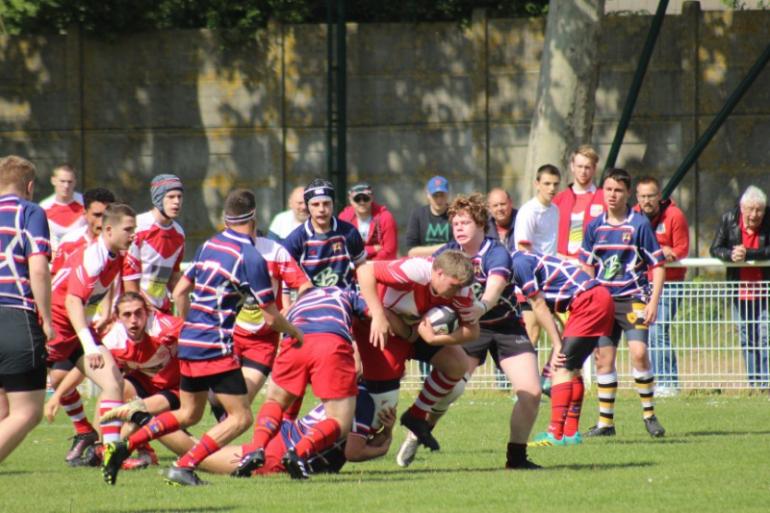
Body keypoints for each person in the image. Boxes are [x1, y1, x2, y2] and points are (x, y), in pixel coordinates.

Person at [101, 189, 303, 487]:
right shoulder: (251, 257)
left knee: (188, 413)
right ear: (254, 217)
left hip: (190, 341)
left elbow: (181, 290)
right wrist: (296, 333)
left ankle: (122, 445)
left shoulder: (210, 244)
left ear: (226, 219)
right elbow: (271, 317)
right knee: (241, 418)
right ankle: (185, 465)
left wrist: (190, 324)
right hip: (216, 347)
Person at [396, 193, 542, 470]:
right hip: (465, 328)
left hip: (505, 326)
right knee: (452, 388)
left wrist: (482, 306)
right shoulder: (447, 254)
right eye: (455, 223)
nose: (459, 227)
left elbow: (496, 283)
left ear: (480, 225)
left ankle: (517, 459)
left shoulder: (495, 251)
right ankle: (419, 429)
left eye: (465, 222)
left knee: (531, 392)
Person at [234, 286, 368, 479]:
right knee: (339, 420)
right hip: (329, 341)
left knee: (274, 402)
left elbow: (281, 319)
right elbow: (371, 312)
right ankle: (298, 453)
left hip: (295, 340)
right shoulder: (346, 293)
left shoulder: (297, 303)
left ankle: (256, 448)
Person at [355, 251, 479, 453]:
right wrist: (378, 315)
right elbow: (365, 270)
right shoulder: (415, 271)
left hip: (417, 332)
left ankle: (416, 416)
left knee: (458, 365)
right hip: (387, 328)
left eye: (460, 287)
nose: (457, 291)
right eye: (454, 285)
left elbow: (473, 331)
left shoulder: (463, 291)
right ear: (437, 273)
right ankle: (344, 439)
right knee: (382, 408)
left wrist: (436, 339)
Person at [579, 168, 666, 438]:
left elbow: (658, 265)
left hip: (633, 299)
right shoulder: (594, 226)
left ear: (628, 194)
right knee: (604, 360)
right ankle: (606, 423)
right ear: (602, 192)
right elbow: (586, 265)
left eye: (618, 190)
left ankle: (649, 415)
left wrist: (653, 302)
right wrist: (588, 298)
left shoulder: (639, 225)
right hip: (603, 302)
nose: (612, 195)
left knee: (639, 353)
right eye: (608, 189)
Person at [48, 203, 137, 462]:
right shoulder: (92, 256)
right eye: (128, 229)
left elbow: (106, 286)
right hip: (50, 330)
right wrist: (90, 346)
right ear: (108, 230)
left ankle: (110, 455)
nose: (133, 234)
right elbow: (72, 301)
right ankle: (84, 430)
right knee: (18, 398)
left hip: (76, 329)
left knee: (113, 383)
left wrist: (106, 312)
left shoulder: (117, 255)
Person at [512, 250, 614, 447]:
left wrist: (558, 344)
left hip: (588, 301)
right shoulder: (523, 260)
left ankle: (555, 435)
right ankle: (570, 433)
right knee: (573, 369)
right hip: (596, 298)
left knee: (561, 369)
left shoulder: (519, 264)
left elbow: (539, 305)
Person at [0, 155, 54, 464]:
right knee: (27, 412)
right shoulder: (30, 212)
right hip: (14, 317)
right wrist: (46, 317)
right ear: (29, 186)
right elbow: (39, 268)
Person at [711, 185, 770, 388]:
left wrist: (749, 254)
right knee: (747, 336)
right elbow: (715, 248)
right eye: (750, 209)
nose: (755, 215)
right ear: (742, 208)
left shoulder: (768, 221)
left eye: (759, 210)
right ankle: (754, 383)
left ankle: (766, 383)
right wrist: (730, 255)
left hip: (765, 289)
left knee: (764, 337)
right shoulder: (729, 219)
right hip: (740, 289)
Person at [635, 176, 690, 394]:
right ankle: (651, 382)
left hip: (670, 282)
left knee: (659, 329)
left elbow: (682, 248)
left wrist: (671, 253)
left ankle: (668, 383)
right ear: (637, 197)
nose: (647, 200)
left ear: (659, 196)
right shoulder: (633, 216)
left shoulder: (674, 216)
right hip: (641, 283)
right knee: (644, 333)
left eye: (651, 195)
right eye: (643, 196)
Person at [282, 179, 366, 289]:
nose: (321, 209)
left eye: (326, 203)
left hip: (345, 298)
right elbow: (284, 277)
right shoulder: (295, 239)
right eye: (315, 204)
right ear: (307, 206)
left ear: (333, 204)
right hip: (311, 300)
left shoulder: (349, 232)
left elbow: (362, 268)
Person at [513, 164, 561, 347]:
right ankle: (521, 374)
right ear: (537, 184)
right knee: (531, 335)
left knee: (563, 334)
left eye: (555, 184)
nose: (552, 188)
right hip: (531, 281)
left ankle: (549, 375)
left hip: (549, 279)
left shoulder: (555, 210)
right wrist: (531, 283)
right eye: (547, 183)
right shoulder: (529, 211)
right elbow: (523, 249)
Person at [123, 174, 185, 313]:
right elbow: (129, 280)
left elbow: (173, 277)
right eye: (171, 197)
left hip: (162, 309)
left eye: (179, 197)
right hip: (137, 311)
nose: (177, 202)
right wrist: (143, 311)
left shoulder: (179, 233)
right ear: (158, 198)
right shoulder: (138, 226)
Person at [552, 146, 605, 261]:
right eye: (579, 166)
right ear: (572, 167)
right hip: (561, 262)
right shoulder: (558, 199)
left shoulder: (604, 198)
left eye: (587, 167)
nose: (583, 171)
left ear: (594, 169)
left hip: (590, 263)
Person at [52, 187, 116, 276]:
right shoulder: (69, 243)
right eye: (97, 215)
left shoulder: (122, 244)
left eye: (106, 216)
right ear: (85, 213)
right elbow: (55, 280)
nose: (102, 222)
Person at [338, 182, 398, 260]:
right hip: (353, 265)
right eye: (357, 199)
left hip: (379, 264)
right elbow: (341, 249)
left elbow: (390, 251)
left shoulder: (385, 217)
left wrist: (369, 265)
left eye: (366, 198)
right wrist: (372, 249)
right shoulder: (344, 218)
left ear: (372, 198)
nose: (362, 202)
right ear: (350, 200)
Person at [39, 164, 86, 251]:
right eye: (62, 181)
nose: (66, 186)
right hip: (53, 260)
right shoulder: (43, 207)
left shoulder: (86, 203)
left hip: (80, 257)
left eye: (69, 182)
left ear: (75, 182)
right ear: (53, 181)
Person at [405, 175, 453, 257]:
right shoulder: (418, 214)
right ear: (428, 195)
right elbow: (411, 251)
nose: (439, 200)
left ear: (448, 194)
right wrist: (446, 247)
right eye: (435, 195)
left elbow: (458, 248)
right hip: (422, 263)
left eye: (442, 195)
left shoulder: (454, 214)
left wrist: (423, 251)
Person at [485, 188, 518, 252]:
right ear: (489, 208)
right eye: (495, 206)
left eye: (503, 204)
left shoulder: (522, 221)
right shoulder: (483, 228)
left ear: (510, 203)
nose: (499, 209)